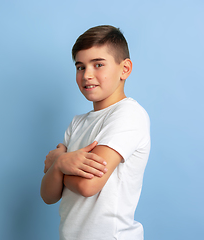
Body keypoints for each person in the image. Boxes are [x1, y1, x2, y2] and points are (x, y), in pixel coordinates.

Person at [40, 25, 150, 240]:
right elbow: (48, 195)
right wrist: (62, 164)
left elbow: (88, 185)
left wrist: (58, 163)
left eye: (98, 64)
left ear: (125, 69)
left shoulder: (129, 114)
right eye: (80, 67)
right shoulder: (77, 123)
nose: (87, 75)